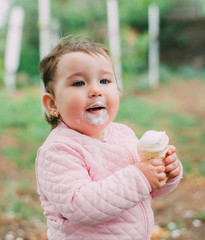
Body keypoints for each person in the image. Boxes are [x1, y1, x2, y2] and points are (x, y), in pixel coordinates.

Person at [35, 35, 183, 240]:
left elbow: (143, 190)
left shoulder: (123, 134)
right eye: (78, 83)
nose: (96, 90)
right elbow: (80, 205)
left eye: (104, 80)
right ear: (52, 104)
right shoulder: (58, 150)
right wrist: (140, 176)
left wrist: (165, 173)